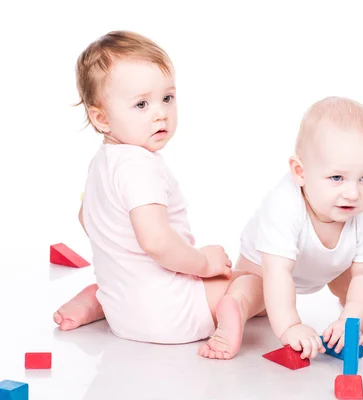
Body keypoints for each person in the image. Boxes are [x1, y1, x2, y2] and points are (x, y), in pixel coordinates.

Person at [53, 30, 264, 360]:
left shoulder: (102, 163)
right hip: (171, 315)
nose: (160, 113)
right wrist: (203, 263)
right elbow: (156, 241)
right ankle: (231, 312)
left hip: (124, 315)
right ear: (101, 118)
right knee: (258, 284)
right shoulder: (140, 166)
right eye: (141, 104)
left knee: (126, 281)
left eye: (167, 98)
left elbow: (87, 219)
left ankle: (99, 301)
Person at [235, 96, 363, 359]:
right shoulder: (284, 204)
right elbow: (278, 273)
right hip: (266, 268)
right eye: (336, 178)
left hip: (332, 266)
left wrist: (350, 322)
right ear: (300, 172)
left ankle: (353, 311)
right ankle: (236, 306)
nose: (353, 193)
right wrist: (291, 326)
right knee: (255, 297)